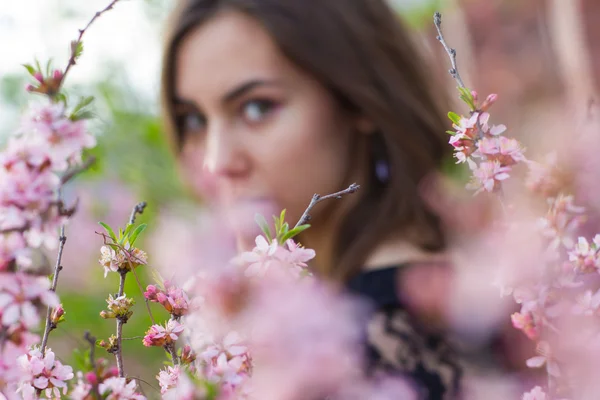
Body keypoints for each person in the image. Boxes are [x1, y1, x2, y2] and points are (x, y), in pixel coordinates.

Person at [159, 1, 511, 398]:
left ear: (357, 99)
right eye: (193, 120)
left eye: (257, 107)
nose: (216, 161)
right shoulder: (388, 303)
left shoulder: (398, 330)